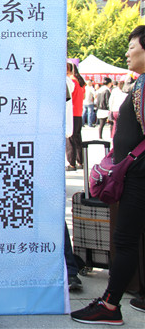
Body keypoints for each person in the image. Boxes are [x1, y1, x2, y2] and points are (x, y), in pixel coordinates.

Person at [71, 25, 145, 325]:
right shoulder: (139, 84)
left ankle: (110, 306)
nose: (127, 53)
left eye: (132, 47)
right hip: (135, 173)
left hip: (138, 176)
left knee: (124, 240)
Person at [66, 62, 86, 171]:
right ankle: (80, 161)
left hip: (71, 112)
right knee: (78, 138)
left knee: (70, 139)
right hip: (79, 112)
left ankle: (71, 164)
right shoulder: (80, 82)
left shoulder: (70, 81)